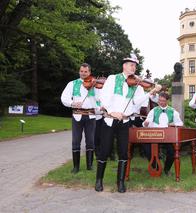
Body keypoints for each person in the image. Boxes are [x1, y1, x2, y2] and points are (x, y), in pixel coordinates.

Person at [95, 53, 161, 193]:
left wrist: (151, 93)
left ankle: (120, 182)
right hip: (109, 120)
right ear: (124, 65)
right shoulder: (113, 78)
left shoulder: (137, 84)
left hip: (125, 122)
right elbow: (104, 97)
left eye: (135, 65)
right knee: (105, 150)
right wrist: (112, 111)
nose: (134, 67)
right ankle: (99, 180)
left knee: (124, 152)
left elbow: (137, 103)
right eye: (131, 64)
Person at [61, 63, 97, 174]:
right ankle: (76, 167)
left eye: (86, 71)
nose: (83, 73)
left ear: (89, 72)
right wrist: (72, 103)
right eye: (81, 71)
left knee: (90, 141)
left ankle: (89, 166)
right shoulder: (72, 84)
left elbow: (100, 99)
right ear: (79, 71)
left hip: (91, 115)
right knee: (76, 141)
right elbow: (64, 97)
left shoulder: (95, 84)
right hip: (77, 115)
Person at [142, 92, 183, 175]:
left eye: (163, 101)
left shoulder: (173, 111)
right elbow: (146, 123)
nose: (161, 102)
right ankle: (156, 167)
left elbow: (180, 123)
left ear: (167, 101)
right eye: (160, 100)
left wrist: (173, 124)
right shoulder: (153, 111)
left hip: (168, 136)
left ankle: (167, 169)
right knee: (146, 148)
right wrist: (145, 124)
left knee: (172, 152)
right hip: (154, 135)